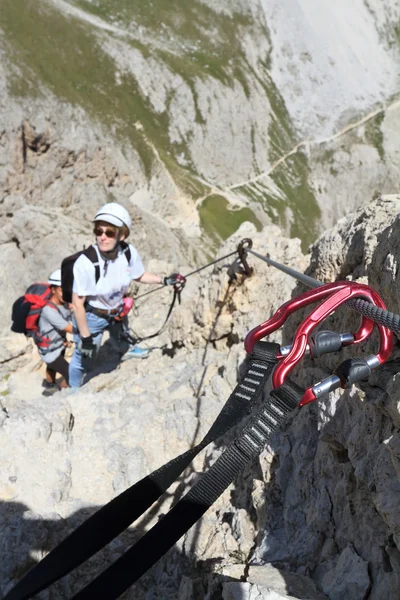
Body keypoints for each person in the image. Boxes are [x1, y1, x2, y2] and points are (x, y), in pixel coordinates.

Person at [69, 202, 183, 388]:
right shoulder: (86, 263)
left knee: (121, 336)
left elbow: (138, 275)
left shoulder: (128, 253)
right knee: (84, 357)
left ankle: (125, 350)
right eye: (99, 231)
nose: (102, 237)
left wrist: (164, 280)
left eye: (109, 233)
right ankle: (74, 388)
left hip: (117, 312)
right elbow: (77, 303)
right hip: (92, 317)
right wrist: (86, 338)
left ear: (121, 234)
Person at [39, 269, 73, 393]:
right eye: (61, 289)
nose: (65, 293)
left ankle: (49, 385)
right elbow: (69, 328)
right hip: (49, 350)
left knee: (52, 367)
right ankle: (62, 392)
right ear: (53, 290)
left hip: (59, 343)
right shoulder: (48, 310)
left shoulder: (65, 304)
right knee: (71, 372)